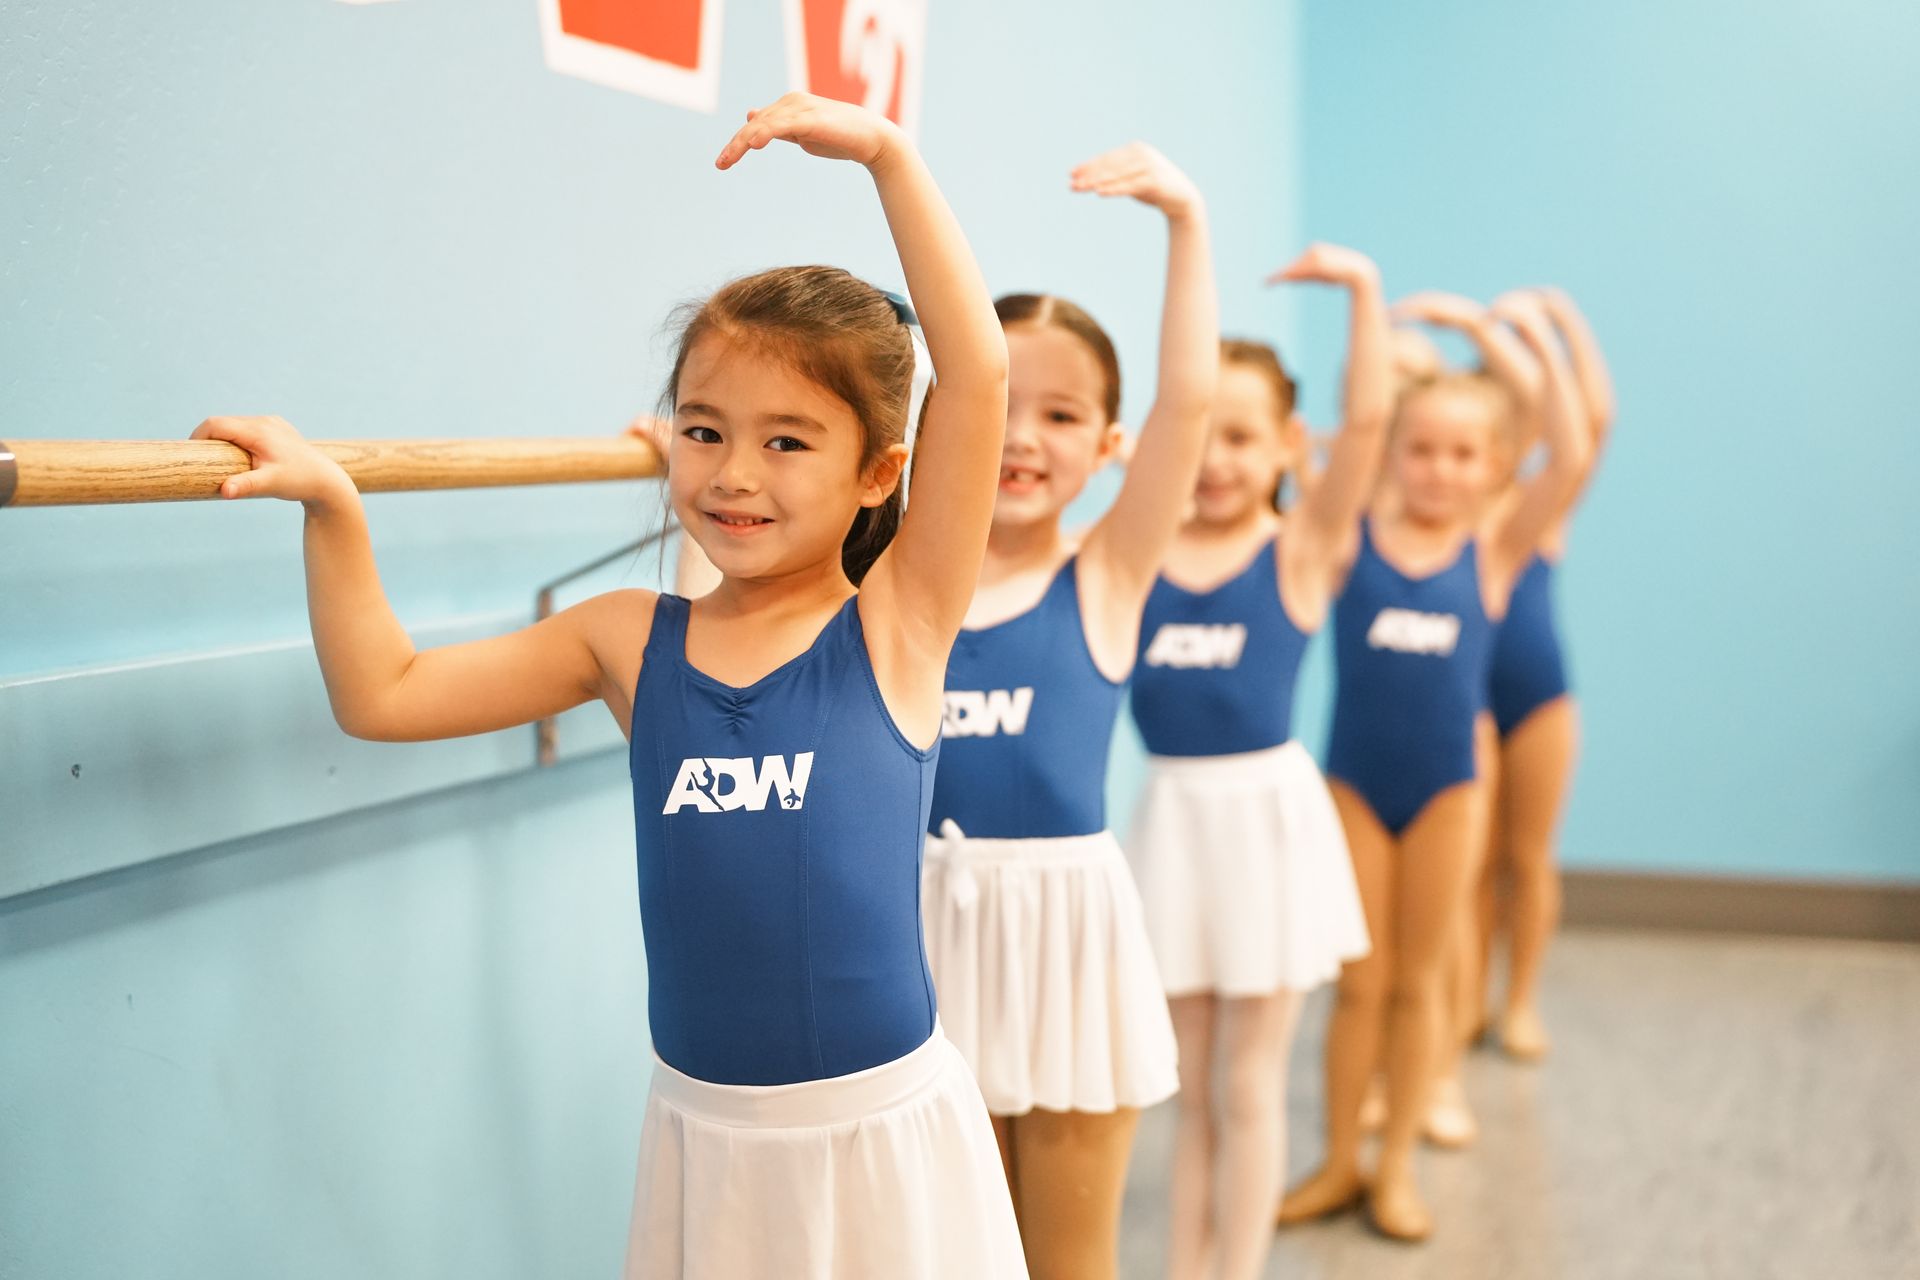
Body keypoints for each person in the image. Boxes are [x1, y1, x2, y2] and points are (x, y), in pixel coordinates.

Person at [193, 93, 1028, 1280]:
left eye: (788, 441)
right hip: (705, 1134)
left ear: (877, 472)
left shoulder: (895, 625)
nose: (734, 474)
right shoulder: (629, 640)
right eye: (705, 430)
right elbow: (384, 692)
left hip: (878, 1135)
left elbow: (978, 373)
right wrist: (334, 507)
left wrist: (889, 155)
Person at [919, 141, 1217, 1280]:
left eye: (1063, 414)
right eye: (1004, 405)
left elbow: (1189, 401)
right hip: (924, 931)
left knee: (1066, 1258)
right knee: (960, 1254)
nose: (1025, 438)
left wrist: (1185, 222)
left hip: (1068, 941)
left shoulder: (1107, 575)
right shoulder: (896, 585)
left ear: (1108, 445)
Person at [1123, 243, 1386, 1280]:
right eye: (1200, 435)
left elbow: (1367, 427)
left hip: (1268, 827)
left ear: (1286, 444)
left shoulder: (1300, 549)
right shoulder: (1133, 553)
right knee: (1192, 1091)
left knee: (1250, 1085)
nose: (1217, 461)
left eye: (1241, 437)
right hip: (1173, 824)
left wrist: (1363, 292)